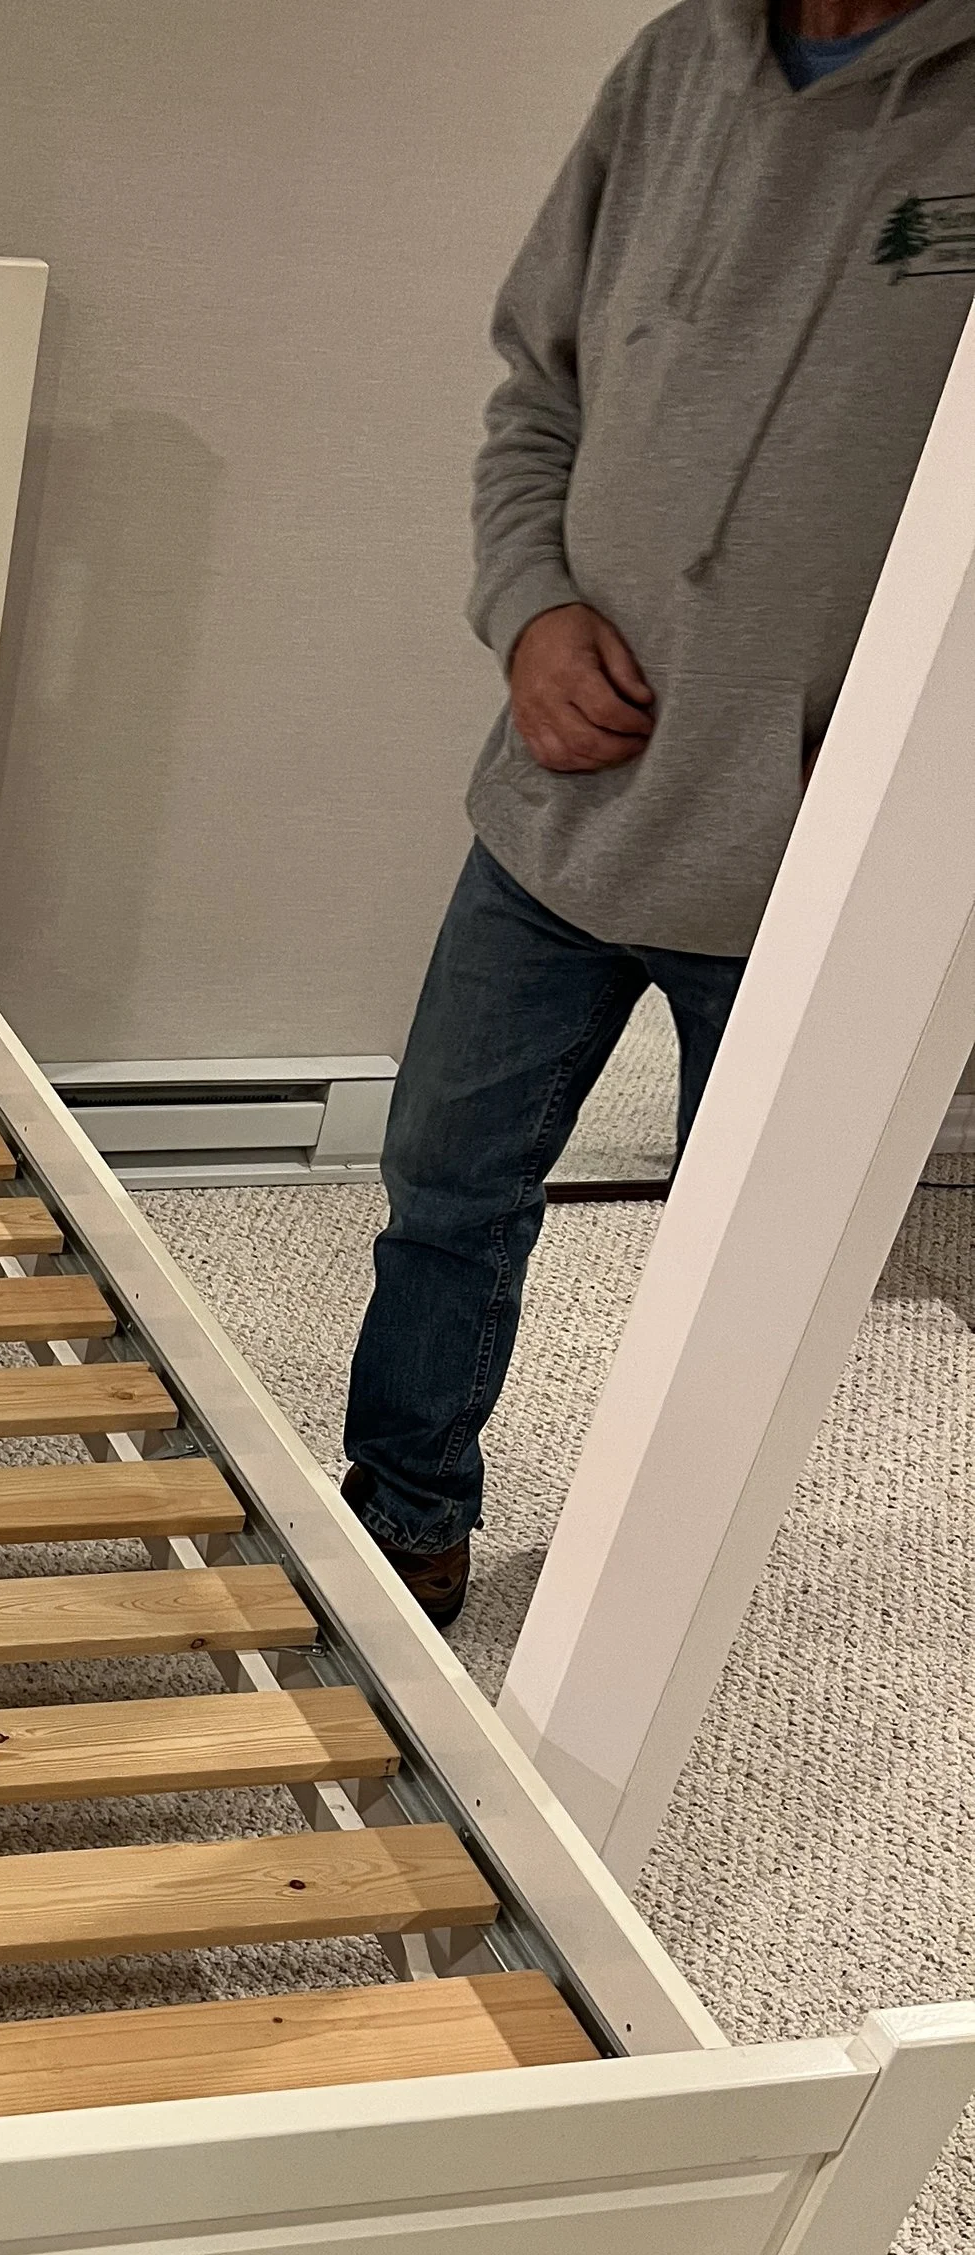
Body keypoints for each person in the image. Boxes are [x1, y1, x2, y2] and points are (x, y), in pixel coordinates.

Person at [342, 0, 975, 1626]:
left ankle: (648, 1589)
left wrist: (927, 751)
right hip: (560, 805)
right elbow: (533, 397)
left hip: (827, 862)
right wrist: (529, 606)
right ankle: (403, 1516)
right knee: (444, 1186)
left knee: (743, 1282)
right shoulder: (674, 63)